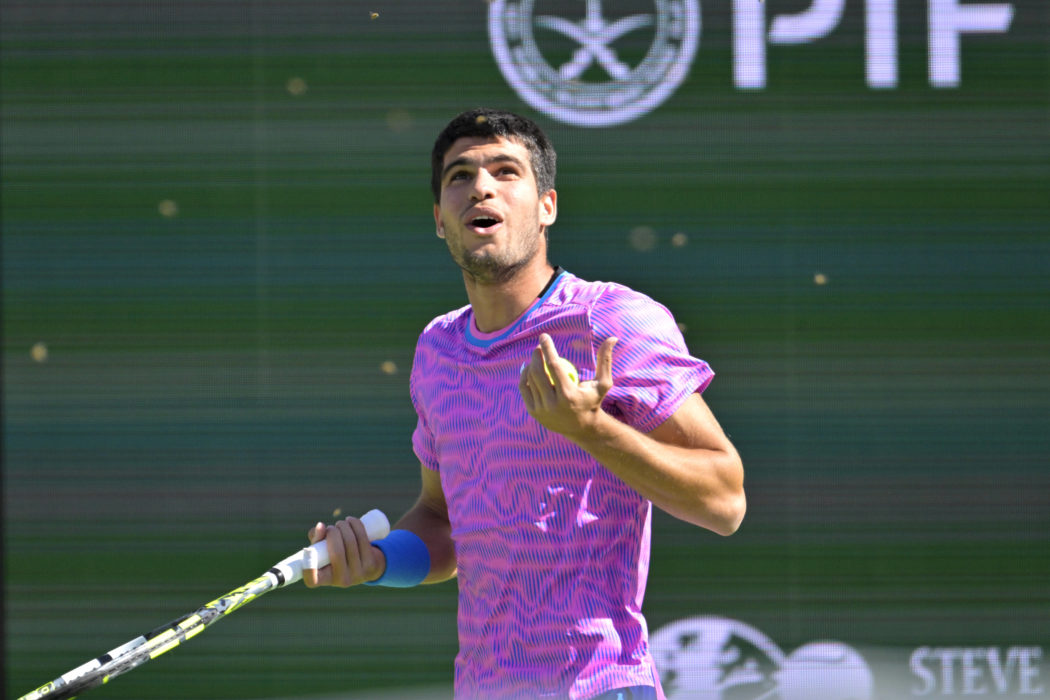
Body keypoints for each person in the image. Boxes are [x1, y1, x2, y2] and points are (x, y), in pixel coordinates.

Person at [303, 108, 746, 700]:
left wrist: (590, 429)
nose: (480, 186)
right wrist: (377, 561)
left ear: (547, 207)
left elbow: (725, 501)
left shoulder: (609, 319)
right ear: (440, 220)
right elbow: (442, 524)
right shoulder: (437, 349)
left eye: (505, 171)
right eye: (459, 176)